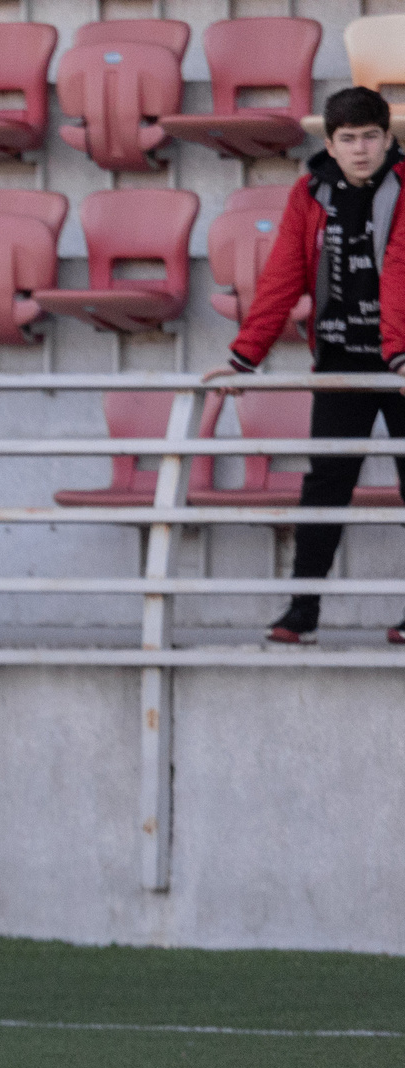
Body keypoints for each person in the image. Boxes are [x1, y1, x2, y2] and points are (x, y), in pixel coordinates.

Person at [211, 86, 405, 647]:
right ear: (331, 143)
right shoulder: (310, 192)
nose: (361, 149)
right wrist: (244, 358)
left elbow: (400, 272)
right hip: (342, 363)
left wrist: (399, 354)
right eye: (349, 139)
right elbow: (282, 276)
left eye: (371, 137)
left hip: (401, 367)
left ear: (389, 139)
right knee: (325, 486)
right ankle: (302, 611)